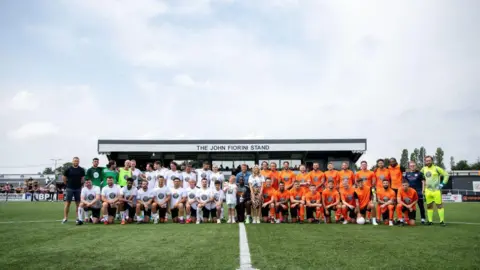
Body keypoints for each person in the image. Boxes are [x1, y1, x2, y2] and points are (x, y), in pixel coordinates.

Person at [421, 156, 449, 226]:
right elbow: (419, 176)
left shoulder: (437, 168)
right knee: (429, 206)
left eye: (429, 160)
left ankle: (442, 221)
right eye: (426, 161)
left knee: (439, 206)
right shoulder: (423, 169)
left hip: (436, 190)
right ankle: (430, 221)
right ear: (425, 161)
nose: (428, 162)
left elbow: (446, 175)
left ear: (432, 161)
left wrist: (442, 184)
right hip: (428, 191)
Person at [62, 157, 85, 224]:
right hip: (69, 188)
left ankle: (78, 218)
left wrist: (81, 184)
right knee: (67, 203)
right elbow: (64, 177)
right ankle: (65, 218)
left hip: (78, 188)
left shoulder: (81, 169)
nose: (76, 162)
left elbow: (83, 179)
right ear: (72, 161)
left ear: (79, 162)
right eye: (75, 161)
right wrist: (67, 184)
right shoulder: (68, 169)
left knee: (78, 204)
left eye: (77, 161)